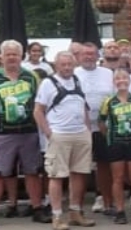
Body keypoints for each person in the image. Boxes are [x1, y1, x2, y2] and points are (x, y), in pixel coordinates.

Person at [0, 40, 52, 227]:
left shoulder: (30, 77)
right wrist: (3, 115)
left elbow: (38, 101)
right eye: (8, 54)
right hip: (3, 133)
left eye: (15, 54)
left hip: (28, 130)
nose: (12, 57)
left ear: (21, 56)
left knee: (32, 172)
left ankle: (37, 209)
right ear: (1, 56)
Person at [35, 52, 98, 229]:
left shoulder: (77, 80)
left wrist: (87, 131)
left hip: (80, 134)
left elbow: (82, 106)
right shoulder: (48, 83)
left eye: (70, 64)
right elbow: (38, 111)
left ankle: (75, 212)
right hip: (59, 135)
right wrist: (49, 133)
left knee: (79, 173)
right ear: (56, 65)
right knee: (56, 176)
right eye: (63, 64)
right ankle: (56, 216)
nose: (67, 67)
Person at [96, 70, 131, 224]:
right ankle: (120, 210)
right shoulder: (109, 101)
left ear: (129, 80)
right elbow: (101, 122)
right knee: (117, 178)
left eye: (124, 77)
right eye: (118, 78)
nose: (121, 81)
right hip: (116, 144)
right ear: (114, 81)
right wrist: (109, 137)